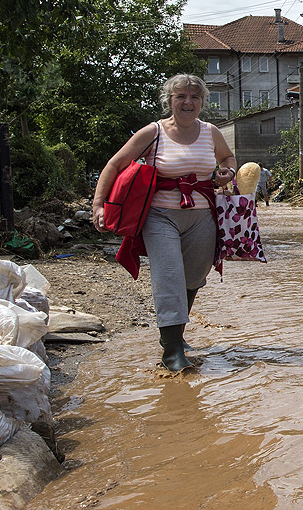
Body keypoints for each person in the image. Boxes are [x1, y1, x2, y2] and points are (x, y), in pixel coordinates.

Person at [91, 74, 237, 371]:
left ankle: (177, 336)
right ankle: (171, 351)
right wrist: (98, 205)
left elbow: (228, 159)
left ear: (202, 102)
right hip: (160, 216)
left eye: (194, 97)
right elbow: (114, 164)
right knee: (169, 276)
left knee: (195, 276)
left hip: (201, 215)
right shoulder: (153, 132)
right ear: (169, 101)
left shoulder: (211, 132)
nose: (188, 102)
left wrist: (228, 173)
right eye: (181, 96)